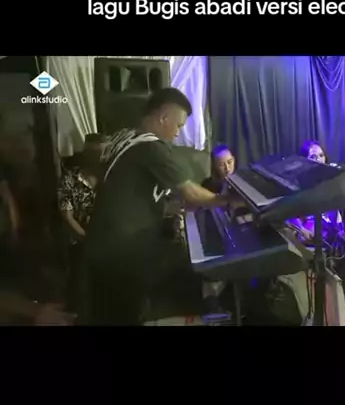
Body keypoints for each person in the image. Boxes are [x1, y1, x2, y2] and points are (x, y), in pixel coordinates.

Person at [83, 88, 234, 325]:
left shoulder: (123, 138)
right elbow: (191, 192)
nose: (178, 133)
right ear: (163, 118)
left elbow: (128, 194)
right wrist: (228, 201)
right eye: (178, 125)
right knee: (188, 270)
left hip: (99, 247)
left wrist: (172, 209)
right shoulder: (152, 147)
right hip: (123, 253)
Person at [58, 142, 105, 311]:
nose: (104, 159)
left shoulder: (111, 178)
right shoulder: (70, 180)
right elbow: (67, 216)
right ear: (87, 156)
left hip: (107, 242)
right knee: (80, 288)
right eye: (99, 155)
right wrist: (86, 241)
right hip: (79, 242)